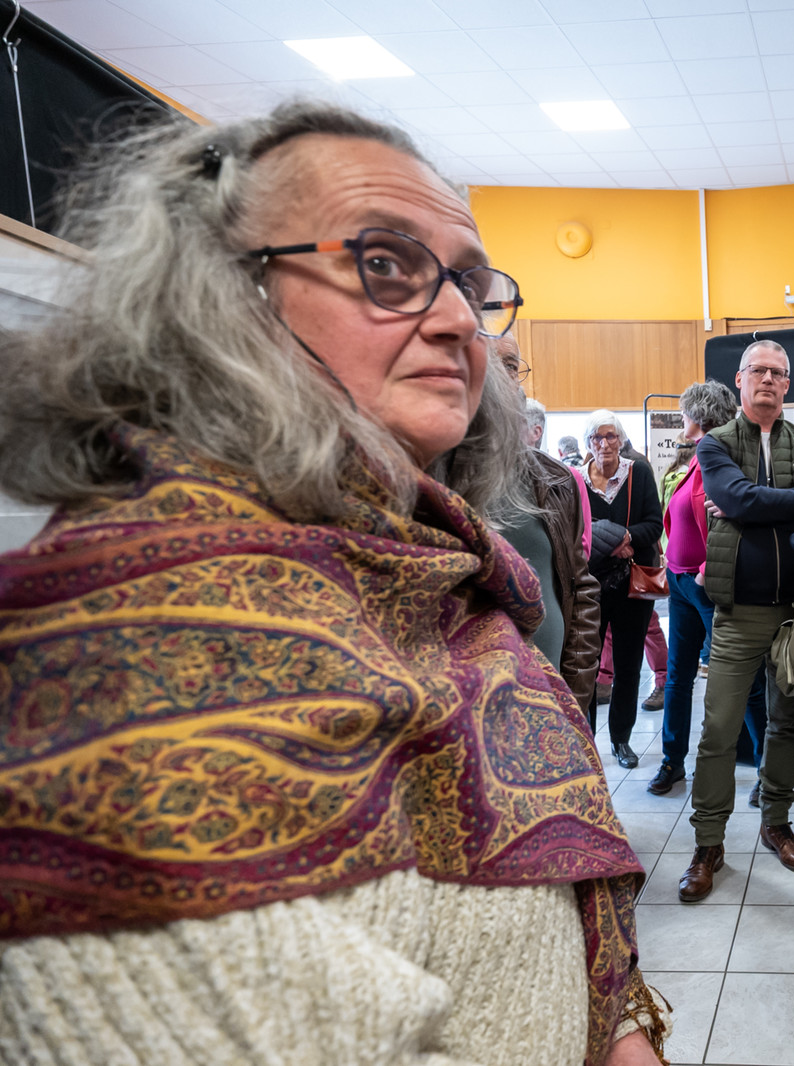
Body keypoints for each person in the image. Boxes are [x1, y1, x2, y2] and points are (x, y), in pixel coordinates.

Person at [0, 102, 667, 1065]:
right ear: (219, 298)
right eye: (384, 265)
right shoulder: (142, 656)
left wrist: (620, 1022)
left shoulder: (442, 571)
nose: (454, 321)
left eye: (471, 285)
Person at [678, 340, 794, 902]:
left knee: (786, 725)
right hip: (738, 610)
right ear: (740, 380)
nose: (767, 380)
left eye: (778, 373)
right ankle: (708, 843)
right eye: (758, 371)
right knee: (719, 730)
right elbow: (737, 500)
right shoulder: (715, 443)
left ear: (788, 385)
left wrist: (775, 499)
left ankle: (775, 822)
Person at [650, 380, 771, 797]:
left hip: (708, 585)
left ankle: (764, 771)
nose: (681, 419)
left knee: (747, 681)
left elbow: (734, 519)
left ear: (698, 416)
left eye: (685, 412)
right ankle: (671, 762)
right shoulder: (694, 459)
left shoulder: (717, 458)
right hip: (682, 584)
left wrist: (705, 567)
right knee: (678, 678)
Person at [497, 336, 603, 712]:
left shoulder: (554, 478)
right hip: (470, 714)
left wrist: (574, 693)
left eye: (511, 366)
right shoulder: (430, 475)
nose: (505, 379)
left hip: (553, 700)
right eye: (490, 363)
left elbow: (579, 585)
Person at [581, 409, 664, 770]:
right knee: (585, 665)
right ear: (588, 444)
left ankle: (621, 740)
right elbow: (576, 532)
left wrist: (626, 536)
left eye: (611, 436)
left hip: (633, 584)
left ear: (621, 439)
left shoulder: (639, 472)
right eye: (597, 438)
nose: (604, 444)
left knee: (629, 665)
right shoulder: (575, 481)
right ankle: (585, 742)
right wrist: (612, 539)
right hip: (589, 587)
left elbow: (654, 524)